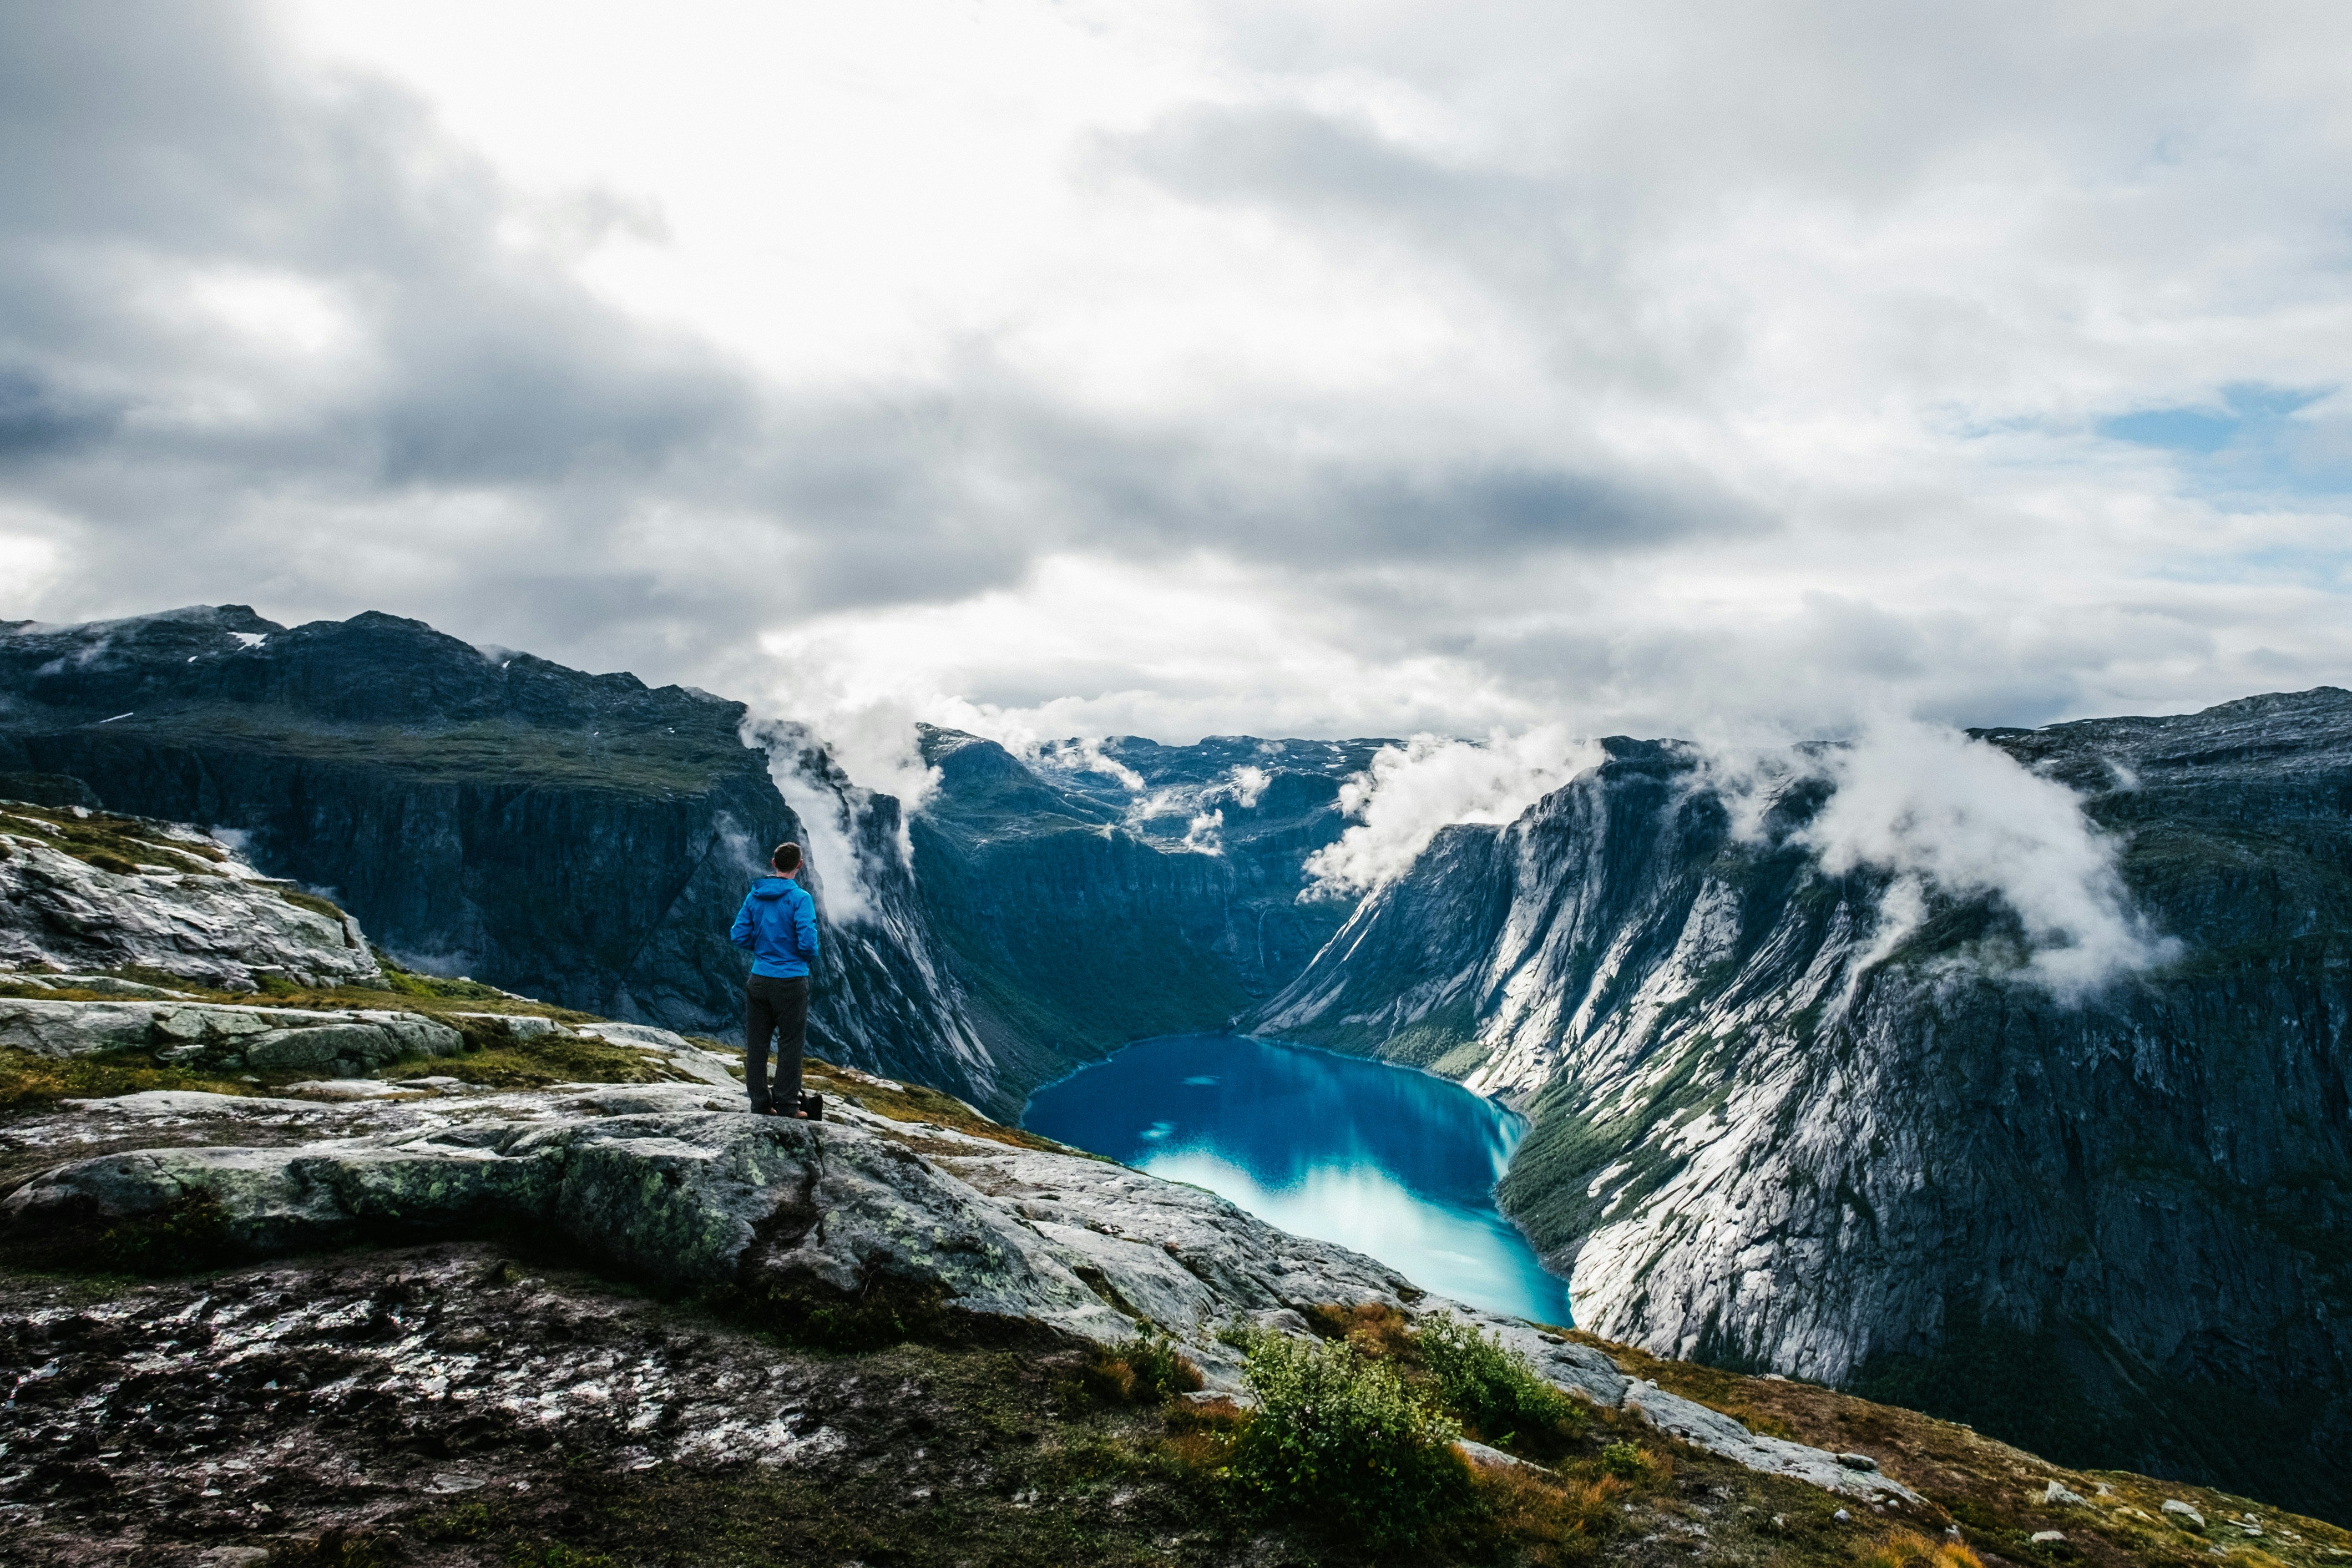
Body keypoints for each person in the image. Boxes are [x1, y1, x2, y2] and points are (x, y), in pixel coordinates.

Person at [729, 841, 820, 1117]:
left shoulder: (754, 896)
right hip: (791, 981)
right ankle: (788, 1105)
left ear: (773, 863)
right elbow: (808, 941)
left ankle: (759, 1103)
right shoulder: (800, 899)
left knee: (757, 1043)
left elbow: (739, 935)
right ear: (799, 866)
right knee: (790, 1043)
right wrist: (801, 959)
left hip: (759, 979)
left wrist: (764, 950)